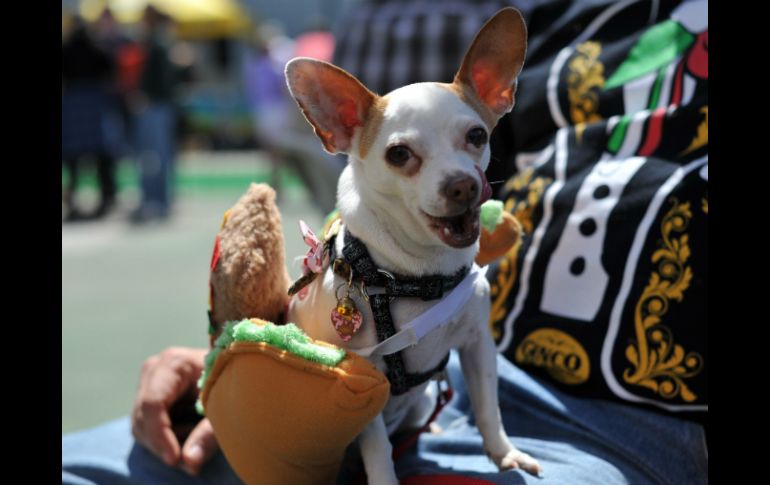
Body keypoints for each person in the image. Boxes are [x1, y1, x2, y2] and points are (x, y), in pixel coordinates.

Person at [63, 0, 707, 483]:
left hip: (616, 430)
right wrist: (256, 357)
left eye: (473, 142)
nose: (457, 180)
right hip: (398, 383)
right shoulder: (562, 14)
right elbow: (396, 168)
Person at [62, 16, 119, 221]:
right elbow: (110, 72)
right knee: (101, 155)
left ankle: (75, 202)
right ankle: (107, 197)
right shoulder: (97, 50)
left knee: (73, 159)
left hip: (73, 104)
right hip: (93, 104)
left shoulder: (67, 49)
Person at [128, 5, 179, 223]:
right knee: (155, 155)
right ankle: (156, 199)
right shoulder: (158, 44)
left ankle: (157, 200)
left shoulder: (157, 45)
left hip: (156, 107)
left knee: (156, 155)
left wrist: (145, 96)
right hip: (158, 106)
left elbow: (160, 80)